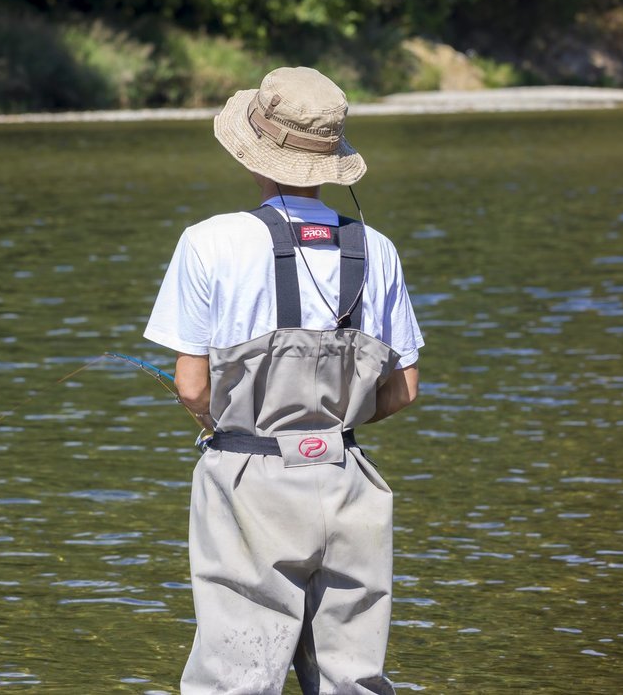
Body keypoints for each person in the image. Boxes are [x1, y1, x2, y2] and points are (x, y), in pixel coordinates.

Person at [144, 66, 424, 694]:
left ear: (256, 154)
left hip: (247, 475)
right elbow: (404, 389)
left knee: (235, 678)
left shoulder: (208, 242)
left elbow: (191, 386)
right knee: (353, 679)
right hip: (348, 478)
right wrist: (327, 426)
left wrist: (224, 427)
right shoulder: (375, 249)